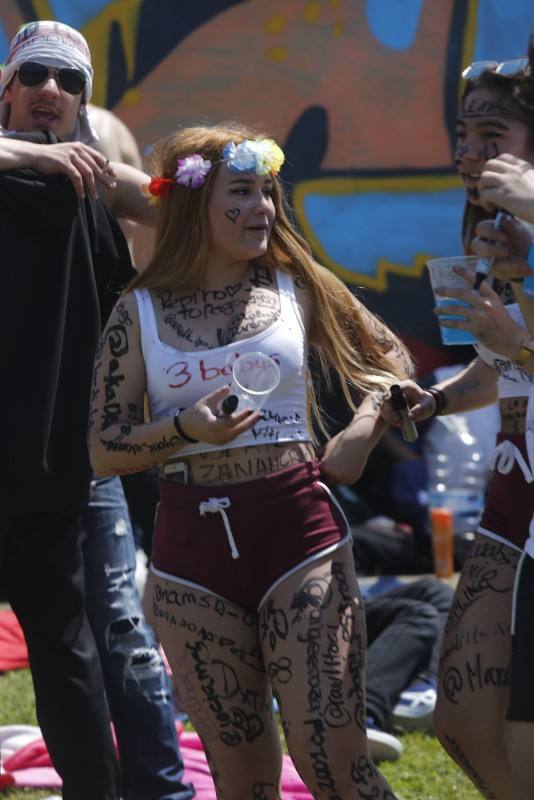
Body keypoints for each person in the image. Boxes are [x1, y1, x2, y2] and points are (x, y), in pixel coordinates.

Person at [89, 122, 414, 799]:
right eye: (242, 193)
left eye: (268, 193)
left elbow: (393, 362)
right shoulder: (137, 311)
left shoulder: (298, 284)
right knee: (242, 780)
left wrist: (360, 428)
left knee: (335, 764)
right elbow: (103, 446)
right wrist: (184, 428)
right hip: (189, 560)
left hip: (298, 537)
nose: (263, 209)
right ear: (191, 204)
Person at [0, 20, 191, 800]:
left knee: (75, 651)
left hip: (56, 469)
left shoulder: (99, 186)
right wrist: (38, 154)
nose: (51, 90)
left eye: (69, 81)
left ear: (83, 103)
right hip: (51, 464)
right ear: (7, 88)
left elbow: (207, 212)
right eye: (36, 74)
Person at [383, 45, 534, 799]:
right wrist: (436, 400)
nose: (469, 154)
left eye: (492, 137)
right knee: (460, 719)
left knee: (517, 732)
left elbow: (521, 354)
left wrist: (520, 340)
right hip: (514, 492)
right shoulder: (494, 229)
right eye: (464, 137)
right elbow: (502, 368)